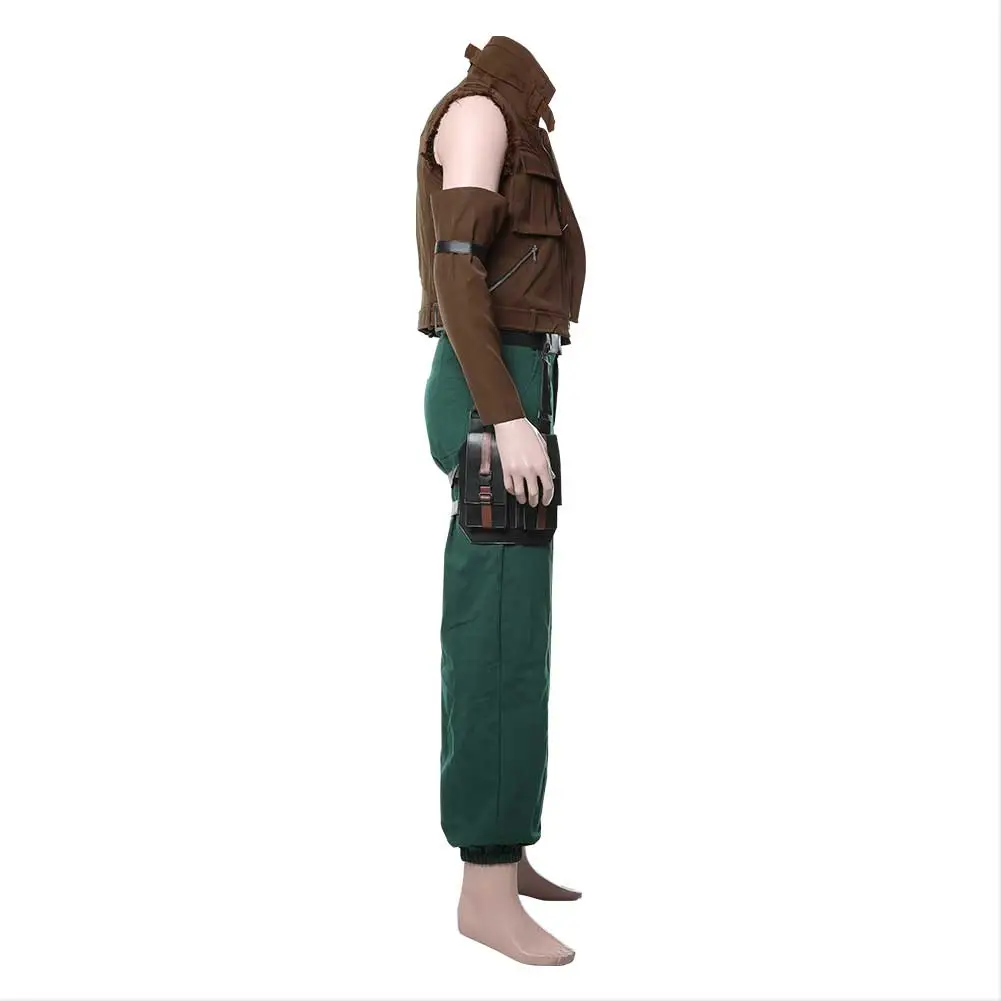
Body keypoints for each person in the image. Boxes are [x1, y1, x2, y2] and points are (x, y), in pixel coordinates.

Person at [416, 36, 586, 966]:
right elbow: (457, 273)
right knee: (493, 634)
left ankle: (506, 845)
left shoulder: (515, 118)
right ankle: (482, 889)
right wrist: (506, 414)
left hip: (520, 376)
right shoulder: (482, 114)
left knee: (519, 629)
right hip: (495, 385)